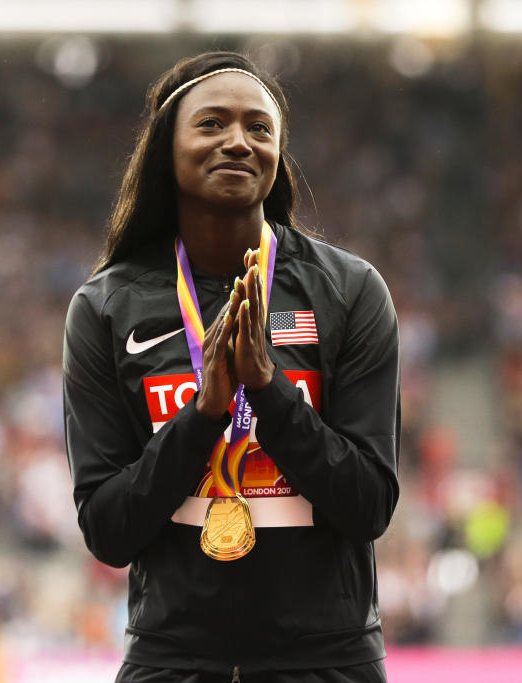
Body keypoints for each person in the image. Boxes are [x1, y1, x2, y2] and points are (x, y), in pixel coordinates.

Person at [62, 51, 400, 682]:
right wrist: (204, 414)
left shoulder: (350, 291)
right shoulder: (106, 306)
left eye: (259, 128)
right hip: (173, 662)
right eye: (212, 123)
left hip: (327, 664)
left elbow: (370, 505)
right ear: (167, 147)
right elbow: (108, 530)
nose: (239, 142)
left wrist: (268, 393)